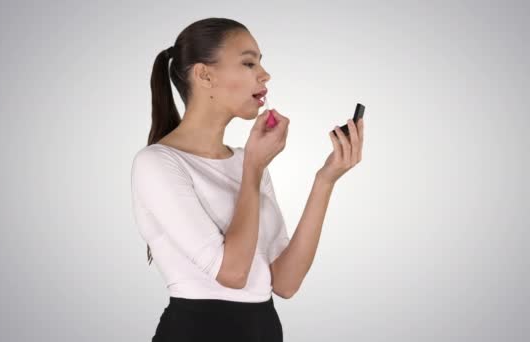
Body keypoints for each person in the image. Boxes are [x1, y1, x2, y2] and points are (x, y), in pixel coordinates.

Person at [130, 17, 364, 342]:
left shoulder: (247, 160)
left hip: (263, 329)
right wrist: (252, 169)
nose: (264, 75)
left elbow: (285, 283)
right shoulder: (157, 163)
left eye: (260, 64)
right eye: (248, 62)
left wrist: (325, 180)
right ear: (204, 75)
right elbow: (232, 274)